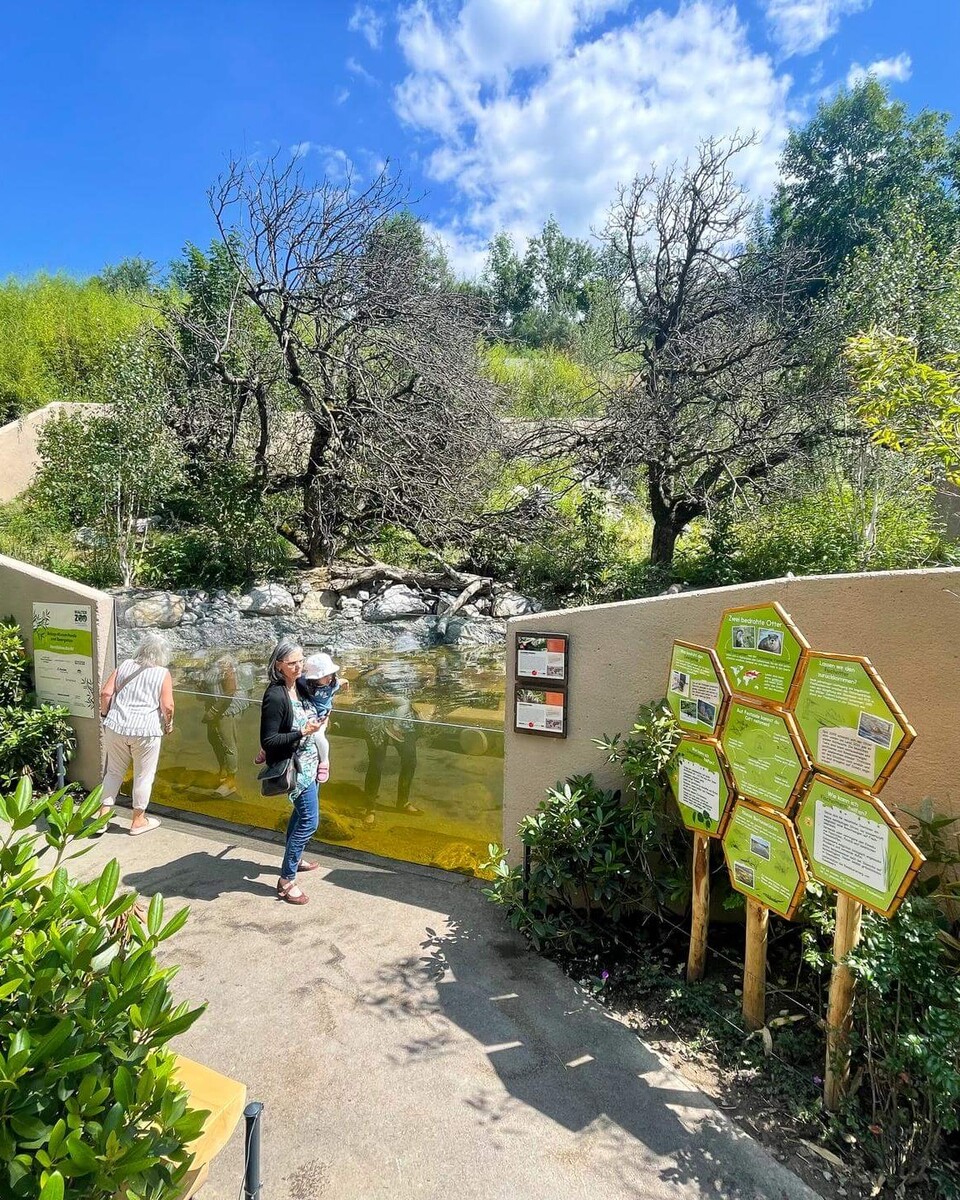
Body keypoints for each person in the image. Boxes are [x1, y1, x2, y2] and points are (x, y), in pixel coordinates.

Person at [260, 639, 324, 905]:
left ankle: (294, 860)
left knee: (300, 816)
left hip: (312, 761)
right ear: (279, 666)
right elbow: (269, 740)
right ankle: (286, 880)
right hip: (296, 767)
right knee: (309, 821)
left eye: (301, 660)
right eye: (292, 663)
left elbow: (323, 691)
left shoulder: (299, 685)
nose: (299, 666)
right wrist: (302, 732)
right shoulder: (275, 696)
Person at [97, 632, 174, 835]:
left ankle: (102, 817)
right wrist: (169, 724)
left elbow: (105, 693)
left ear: (141, 648)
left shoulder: (124, 665)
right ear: (163, 654)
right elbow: (167, 706)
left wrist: (105, 714)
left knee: (113, 772)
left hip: (116, 725)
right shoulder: (162, 673)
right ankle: (138, 821)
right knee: (143, 775)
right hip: (146, 730)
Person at [201, 654, 249, 796]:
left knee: (228, 743)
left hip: (227, 707)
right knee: (213, 738)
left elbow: (230, 691)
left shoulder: (226, 665)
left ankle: (230, 781)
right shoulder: (211, 663)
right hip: (215, 704)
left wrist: (214, 711)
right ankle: (223, 771)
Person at [300, 651, 349, 783]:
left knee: (318, 736)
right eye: (325, 676)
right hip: (307, 713)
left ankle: (324, 762)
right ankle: (267, 749)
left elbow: (340, 681)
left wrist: (346, 682)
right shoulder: (304, 682)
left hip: (322, 716)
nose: (329, 678)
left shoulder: (333, 683)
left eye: (331, 675)